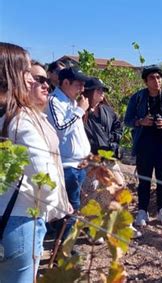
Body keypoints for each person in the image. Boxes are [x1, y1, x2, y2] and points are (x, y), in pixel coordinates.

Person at [0, 43, 70, 281]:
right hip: (19, 224)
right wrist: (53, 206)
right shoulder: (20, 121)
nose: (31, 80)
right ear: (10, 74)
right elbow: (45, 180)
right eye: (25, 72)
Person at [124, 65, 162, 226]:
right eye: (152, 78)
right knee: (144, 180)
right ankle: (142, 211)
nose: (156, 81)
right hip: (144, 145)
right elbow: (127, 120)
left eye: (158, 77)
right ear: (145, 81)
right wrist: (140, 121)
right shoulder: (137, 98)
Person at [46, 66, 91, 239]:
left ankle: (61, 246)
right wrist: (80, 111)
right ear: (65, 83)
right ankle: (62, 251)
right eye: (78, 84)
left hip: (79, 165)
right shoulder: (54, 101)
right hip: (67, 166)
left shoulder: (71, 101)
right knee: (71, 209)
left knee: (71, 208)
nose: (82, 89)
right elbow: (60, 128)